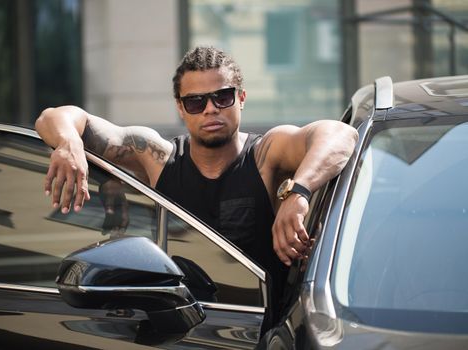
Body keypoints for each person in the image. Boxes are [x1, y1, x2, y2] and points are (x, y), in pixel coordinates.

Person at [35, 46, 358, 326]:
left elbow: (340, 135)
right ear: (180, 107)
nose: (210, 109)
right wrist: (68, 144)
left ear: (241, 98)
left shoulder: (266, 154)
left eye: (222, 96)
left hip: (263, 326)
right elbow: (56, 115)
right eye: (195, 102)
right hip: (184, 327)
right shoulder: (157, 157)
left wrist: (297, 193)